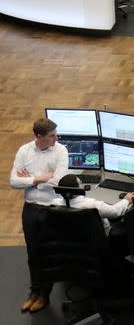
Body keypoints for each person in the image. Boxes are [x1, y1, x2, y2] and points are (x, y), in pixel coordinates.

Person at [9, 118, 68, 313]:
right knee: (32, 253)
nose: (56, 138)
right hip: (30, 208)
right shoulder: (24, 151)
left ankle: (44, 294)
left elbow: (58, 181)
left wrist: (29, 179)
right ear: (39, 137)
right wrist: (41, 177)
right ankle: (34, 291)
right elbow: (13, 181)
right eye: (52, 136)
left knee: (47, 253)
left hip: (51, 208)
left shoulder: (61, 150)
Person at [52, 174, 134, 236]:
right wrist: (126, 200)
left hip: (72, 237)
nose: (82, 185)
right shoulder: (92, 205)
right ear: (77, 190)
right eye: (80, 183)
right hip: (99, 236)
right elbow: (115, 212)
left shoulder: (54, 204)